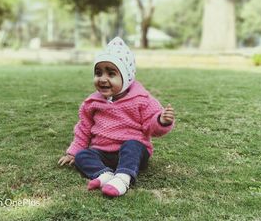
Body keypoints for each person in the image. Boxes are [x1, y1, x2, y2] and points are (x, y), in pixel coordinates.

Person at [58, 37, 175, 197]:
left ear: (126, 77)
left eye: (111, 73)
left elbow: (151, 126)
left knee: (132, 145)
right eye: (98, 73)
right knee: (82, 156)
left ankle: (123, 178)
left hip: (133, 153)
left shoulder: (141, 99)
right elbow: (83, 129)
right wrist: (73, 152)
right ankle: (104, 175)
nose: (103, 78)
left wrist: (161, 121)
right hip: (103, 152)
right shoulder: (92, 102)